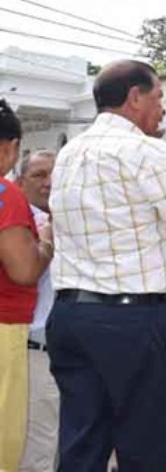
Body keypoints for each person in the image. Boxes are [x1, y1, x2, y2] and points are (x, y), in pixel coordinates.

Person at [48, 61, 166, 471]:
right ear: (134, 97)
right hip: (132, 322)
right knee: (147, 447)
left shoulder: (68, 155)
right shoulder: (150, 153)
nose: (163, 110)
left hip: (70, 316)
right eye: (159, 98)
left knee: (81, 443)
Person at [17, 151, 59, 472]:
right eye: (39, 175)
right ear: (21, 181)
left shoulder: (68, 221)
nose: (49, 182)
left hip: (74, 349)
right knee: (38, 442)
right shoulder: (18, 225)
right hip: (36, 347)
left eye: (54, 174)